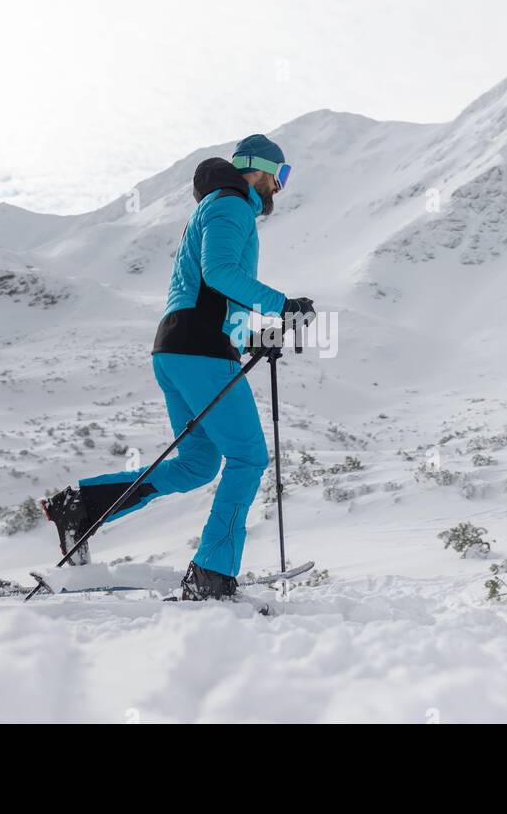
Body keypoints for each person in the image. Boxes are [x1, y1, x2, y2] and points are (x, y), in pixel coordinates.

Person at [41, 134, 315, 601]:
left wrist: (254, 337)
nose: (280, 187)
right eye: (280, 174)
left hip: (177, 349)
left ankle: (80, 506)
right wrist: (282, 305)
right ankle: (211, 573)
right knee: (248, 459)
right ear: (258, 169)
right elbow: (221, 274)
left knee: (197, 465)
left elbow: (210, 294)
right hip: (200, 351)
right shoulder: (231, 205)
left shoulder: (212, 207)